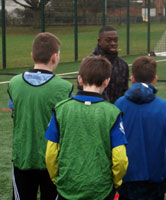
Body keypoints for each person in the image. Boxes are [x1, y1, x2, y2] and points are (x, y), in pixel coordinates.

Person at [45, 56, 128, 200]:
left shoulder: (61, 109)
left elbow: (50, 154)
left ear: (80, 80)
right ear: (106, 81)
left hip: (67, 187)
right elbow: (120, 158)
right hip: (101, 189)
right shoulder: (112, 112)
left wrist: (56, 178)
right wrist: (116, 181)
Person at [7, 32, 73, 199]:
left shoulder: (14, 83)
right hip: (54, 162)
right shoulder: (65, 88)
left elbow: (14, 109)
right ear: (55, 57)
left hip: (23, 158)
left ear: (32, 55)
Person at [115, 56, 166, 200]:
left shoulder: (119, 105)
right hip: (155, 176)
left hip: (128, 176)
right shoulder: (164, 106)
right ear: (155, 79)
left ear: (132, 78)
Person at [88, 25, 129, 103]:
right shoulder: (89, 63)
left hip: (116, 111)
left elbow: (124, 91)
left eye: (115, 40)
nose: (113, 43)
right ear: (99, 41)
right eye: (108, 40)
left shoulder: (123, 65)